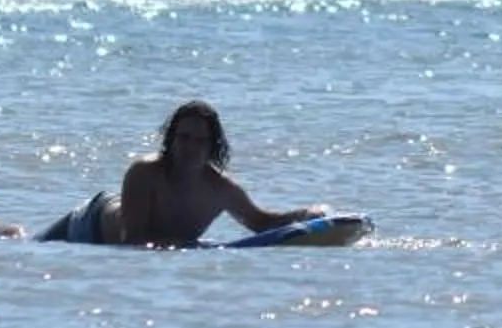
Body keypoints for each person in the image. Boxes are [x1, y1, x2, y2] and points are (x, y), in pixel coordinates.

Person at [37, 100, 328, 247]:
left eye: (199, 141)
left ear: (212, 147)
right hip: (89, 224)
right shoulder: (145, 172)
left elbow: (260, 221)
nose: (190, 147)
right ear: (171, 140)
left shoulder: (221, 189)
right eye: (183, 138)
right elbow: (132, 241)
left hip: (137, 238)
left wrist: (306, 214)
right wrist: (179, 246)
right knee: (30, 246)